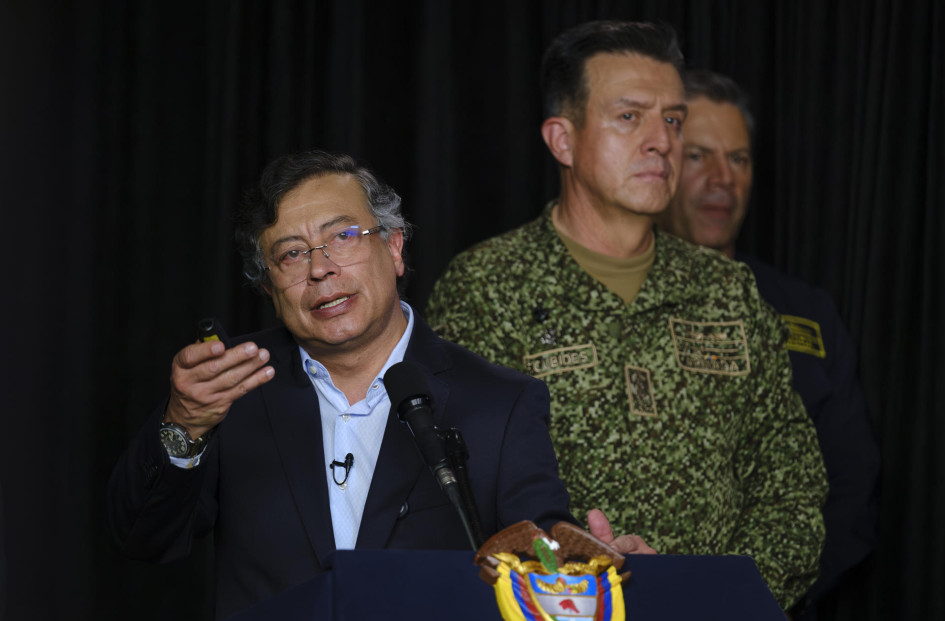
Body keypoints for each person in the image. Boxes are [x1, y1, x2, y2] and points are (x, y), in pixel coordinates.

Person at [107, 150, 627, 618]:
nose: (321, 270)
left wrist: (588, 568)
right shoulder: (231, 391)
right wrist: (184, 425)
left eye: (342, 237)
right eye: (292, 254)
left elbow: (544, 557)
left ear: (395, 247)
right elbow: (144, 540)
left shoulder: (499, 403)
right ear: (269, 287)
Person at [425, 21, 827, 610]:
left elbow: (792, 487)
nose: (663, 141)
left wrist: (709, 596)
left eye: (671, 119)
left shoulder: (728, 291)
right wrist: (575, 578)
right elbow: (457, 494)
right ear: (563, 140)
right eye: (629, 116)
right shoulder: (487, 287)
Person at [655, 68, 880, 617]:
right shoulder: (615, 300)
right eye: (699, 156)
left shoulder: (806, 312)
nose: (723, 180)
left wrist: (759, 597)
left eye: (739, 159)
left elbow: (852, 486)